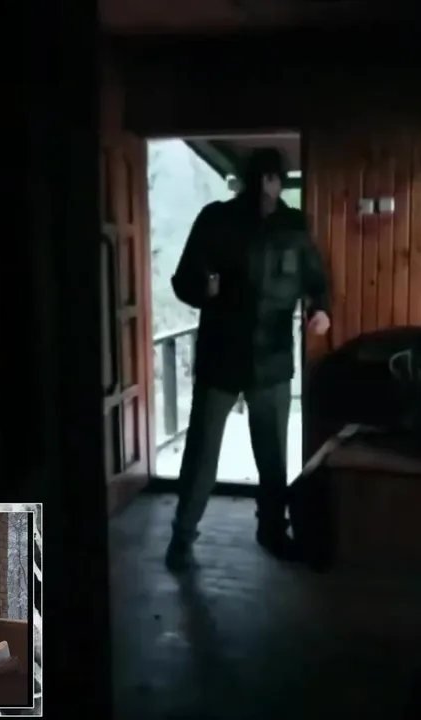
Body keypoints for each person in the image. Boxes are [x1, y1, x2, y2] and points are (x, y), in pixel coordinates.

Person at [165, 148, 331, 571]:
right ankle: (182, 537)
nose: (265, 186)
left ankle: (272, 530)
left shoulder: (294, 226)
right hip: (221, 356)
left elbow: (315, 281)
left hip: (272, 361)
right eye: (258, 177)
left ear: (280, 182)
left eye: (272, 178)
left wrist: (320, 310)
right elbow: (183, 281)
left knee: (273, 458)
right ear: (245, 180)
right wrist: (204, 288)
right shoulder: (215, 219)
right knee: (201, 455)